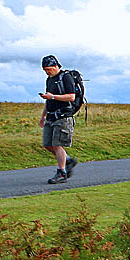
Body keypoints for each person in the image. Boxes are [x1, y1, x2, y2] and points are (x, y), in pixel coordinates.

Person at [39, 54, 79, 184]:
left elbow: (71, 97)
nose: (47, 72)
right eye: (45, 70)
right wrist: (43, 116)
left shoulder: (66, 77)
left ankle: (62, 173)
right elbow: (48, 98)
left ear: (56, 66)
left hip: (63, 116)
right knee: (47, 144)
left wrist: (53, 97)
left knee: (57, 144)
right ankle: (68, 160)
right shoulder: (49, 80)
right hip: (51, 115)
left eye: (49, 69)